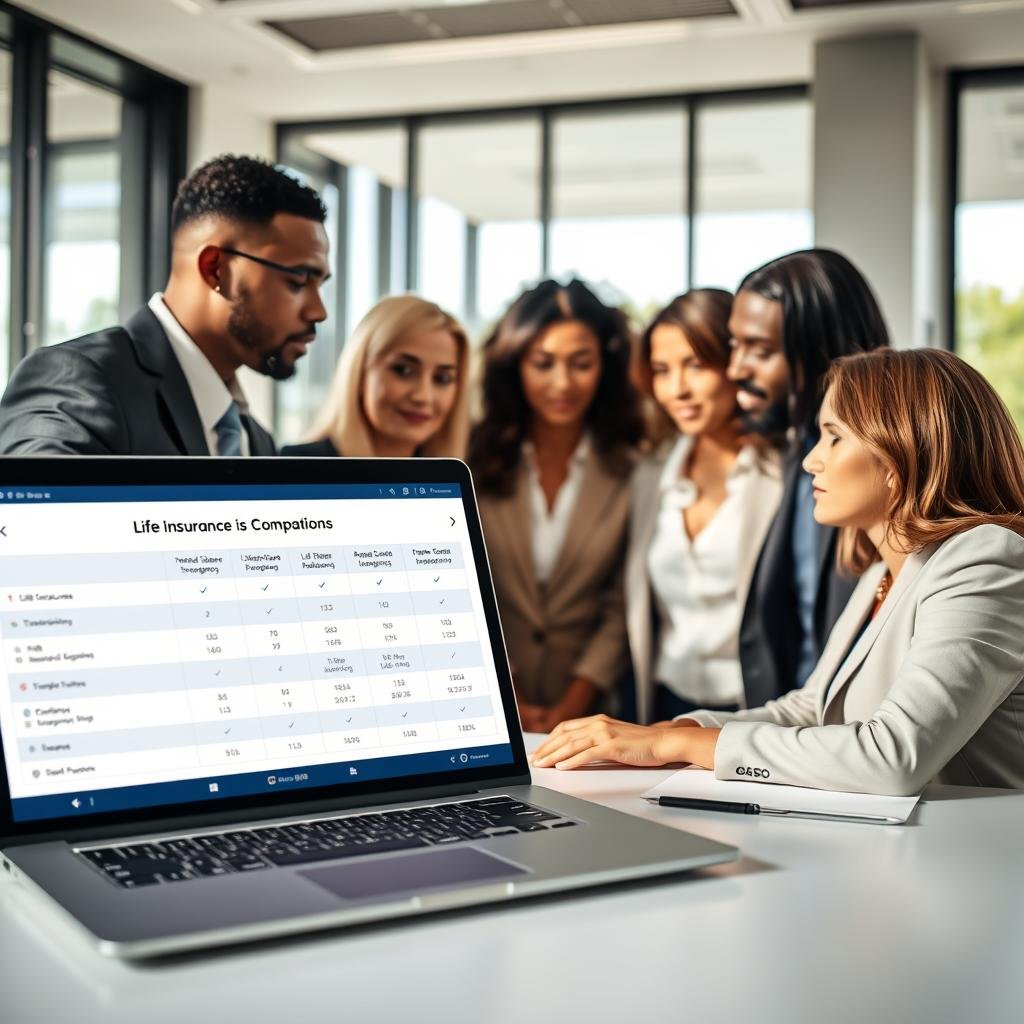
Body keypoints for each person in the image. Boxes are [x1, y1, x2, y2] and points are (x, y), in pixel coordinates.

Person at [533, 348, 1024, 795]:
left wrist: (674, 748)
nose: (812, 459)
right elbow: (809, 710)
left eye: (833, 438)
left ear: (900, 451)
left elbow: (892, 756)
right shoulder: (885, 571)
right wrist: (669, 733)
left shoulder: (984, 560)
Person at [0, 154, 330, 456]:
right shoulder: (80, 381)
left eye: (321, 285)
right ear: (216, 269)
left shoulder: (256, 441)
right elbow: (35, 513)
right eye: (298, 280)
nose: (319, 311)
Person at [468, 279, 644, 733]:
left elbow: (624, 602)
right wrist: (511, 695)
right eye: (543, 364)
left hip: (595, 712)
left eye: (581, 364)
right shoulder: (472, 458)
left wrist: (575, 701)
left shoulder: (631, 467)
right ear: (515, 364)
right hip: (483, 700)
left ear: (605, 365)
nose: (562, 383)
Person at [726, 248, 890, 710]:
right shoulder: (791, 455)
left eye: (760, 350)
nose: (735, 370)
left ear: (822, 351)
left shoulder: (887, 477)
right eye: (734, 345)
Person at [626, 290, 783, 724]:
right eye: (661, 370)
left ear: (733, 364)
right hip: (662, 703)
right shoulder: (650, 474)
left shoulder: (781, 475)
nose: (677, 389)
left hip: (755, 707)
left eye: (696, 365)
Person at [281, 295, 470, 458]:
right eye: (403, 370)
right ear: (360, 372)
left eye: (442, 379)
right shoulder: (291, 469)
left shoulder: (458, 481)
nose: (423, 396)